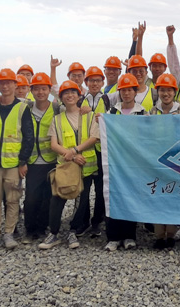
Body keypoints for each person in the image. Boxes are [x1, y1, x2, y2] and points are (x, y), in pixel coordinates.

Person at [40, 80, 100, 250]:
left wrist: (74, 150)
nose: (70, 95)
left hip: (86, 167)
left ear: (79, 96)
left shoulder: (89, 115)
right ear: (61, 98)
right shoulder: (57, 119)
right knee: (58, 198)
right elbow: (54, 144)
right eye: (66, 93)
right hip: (66, 167)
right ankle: (54, 233)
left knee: (81, 201)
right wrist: (72, 156)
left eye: (73, 92)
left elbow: (94, 138)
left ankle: (73, 231)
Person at [0, 68, 34, 253]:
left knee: (13, 200)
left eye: (8, 82)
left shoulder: (22, 108)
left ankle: (9, 234)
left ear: (15, 85)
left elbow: (28, 137)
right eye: (1, 83)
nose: (5, 86)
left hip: (13, 164)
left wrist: (23, 161)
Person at [104, 74, 147, 251]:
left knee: (131, 198)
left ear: (136, 91)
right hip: (115, 163)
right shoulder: (111, 113)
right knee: (113, 197)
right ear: (119, 92)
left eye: (130, 90)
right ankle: (113, 237)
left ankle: (129, 236)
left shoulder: (143, 112)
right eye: (123, 90)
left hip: (134, 164)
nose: (127, 93)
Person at [149, 73, 180, 249]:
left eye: (169, 90)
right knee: (157, 197)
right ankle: (159, 236)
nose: (166, 94)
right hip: (156, 160)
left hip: (175, 160)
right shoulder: (152, 112)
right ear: (158, 92)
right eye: (162, 90)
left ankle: (171, 235)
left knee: (172, 197)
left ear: (174, 92)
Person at [22, 72, 61, 245]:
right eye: (36, 89)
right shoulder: (26, 108)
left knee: (48, 197)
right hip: (32, 161)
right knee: (31, 197)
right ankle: (30, 230)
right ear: (31, 90)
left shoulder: (57, 109)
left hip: (52, 160)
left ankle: (42, 228)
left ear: (49, 90)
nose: (40, 92)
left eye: (44, 89)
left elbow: (73, 107)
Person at [72, 66, 110, 238]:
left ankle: (97, 222)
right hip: (85, 149)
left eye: (98, 80)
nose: (95, 83)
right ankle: (83, 221)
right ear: (86, 82)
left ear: (102, 82)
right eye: (91, 80)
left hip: (102, 150)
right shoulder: (80, 100)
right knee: (84, 188)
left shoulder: (108, 99)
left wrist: (94, 113)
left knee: (101, 188)